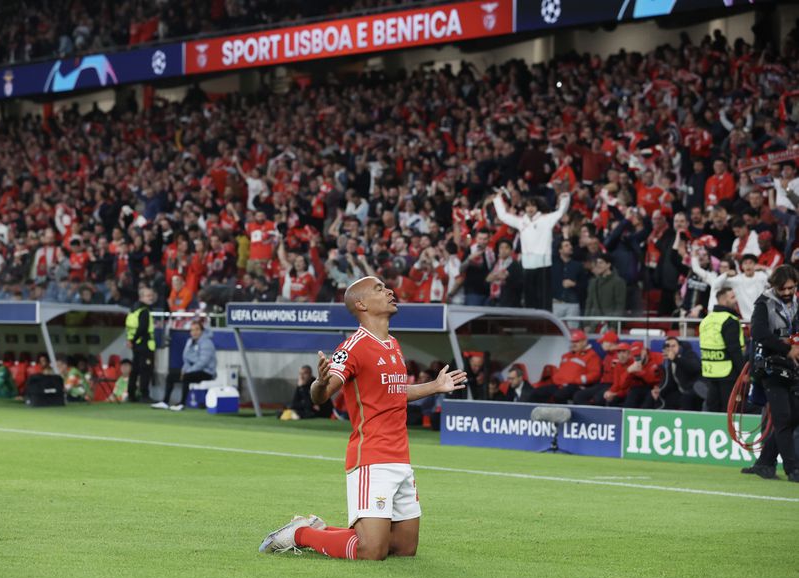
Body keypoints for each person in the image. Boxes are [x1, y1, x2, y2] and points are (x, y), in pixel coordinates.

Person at [259, 276, 467, 559]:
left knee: (404, 548)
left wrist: (435, 386)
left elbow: (394, 392)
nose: (389, 291)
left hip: (400, 457)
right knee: (372, 550)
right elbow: (322, 394)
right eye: (379, 289)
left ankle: (320, 528)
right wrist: (319, 382)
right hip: (371, 458)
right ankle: (300, 534)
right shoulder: (352, 347)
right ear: (361, 304)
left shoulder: (392, 344)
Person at [743, 265, 799, 482]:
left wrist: (795, 344)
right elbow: (758, 333)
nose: (787, 292)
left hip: (791, 366)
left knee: (793, 417)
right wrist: (787, 348)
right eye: (782, 289)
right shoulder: (763, 303)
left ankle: (764, 463)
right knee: (783, 418)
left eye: (791, 288)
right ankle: (793, 470)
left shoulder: (796, 302)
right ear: (774, 286)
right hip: (770, 366)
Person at [492, 189, 570, 310]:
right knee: (530, 300)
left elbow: (560, 212)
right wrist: (498, 200)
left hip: (543, 265)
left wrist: (565, 198)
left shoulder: (546, 219)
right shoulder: (521, 221)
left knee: (544, 300)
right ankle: (531, 321)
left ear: (538, 207)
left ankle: (545, 321)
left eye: (533, 205)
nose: (530, 208)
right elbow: (503, 216)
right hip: (527, 266)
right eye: (527, 206)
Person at [699, 287, 745, 412]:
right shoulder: (730, 320)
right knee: (729, 410)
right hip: (728, 372)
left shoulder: (706, 320)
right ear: (724, 300)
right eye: (732, 297)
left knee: (713, 410)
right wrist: (743, 373)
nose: (735, 300)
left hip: (710, 372)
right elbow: (734, 350)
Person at [155, 320, 216, 411]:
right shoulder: (189, 341)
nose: (194, 332)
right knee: (171, 376)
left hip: (207, 372)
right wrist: (184, 370)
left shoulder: (207, 343)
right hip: (191, 370)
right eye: (192, 330)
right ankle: (165, 402)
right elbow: (186, 359)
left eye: (197, 329)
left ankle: (182, 403)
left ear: (202, 331)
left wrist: (187, 371)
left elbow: (203, 362)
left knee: (187, 376)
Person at [528, 329, 601, 404]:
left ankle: (564, 411)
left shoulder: (592, 356)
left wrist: (577, 380)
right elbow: (561, 372)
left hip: (575, 386)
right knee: (536, 393)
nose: (573, 344)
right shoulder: (566, 356)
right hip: (559, 385)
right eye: (572, 342)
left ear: (584, 342)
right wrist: (556, 378)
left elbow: (595, 374)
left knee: (559, 396)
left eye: (576, 342)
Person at [655, 337, 704, 411]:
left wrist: (676, 359)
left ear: (679, 346)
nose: (671, 349)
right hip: (682, 391)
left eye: (673, 346)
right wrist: (659, 390)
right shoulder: (669, 362)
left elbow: (695, 368)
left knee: (686, 398)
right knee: (661, 397)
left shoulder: (689, 354)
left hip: (695, 389)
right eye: (668, 346)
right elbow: (668, 382)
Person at [125, 287, 156, 402]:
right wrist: (133, 340)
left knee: (135, 370)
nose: (151, 298)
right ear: (141, 297)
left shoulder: (133, 310)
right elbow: (142, 329)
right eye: (148, 296)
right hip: (145, 344)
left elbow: (130, 328)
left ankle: (131, 394)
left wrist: (131, 341)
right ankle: (144, 395)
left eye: (151, 295)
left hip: (135, 345)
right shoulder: (144, 311)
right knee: (145, 370)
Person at [584, 254, 626, 319]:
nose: (598, 265)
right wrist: (586, 322)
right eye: (597, 263)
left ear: (608, 265)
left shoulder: (618, 282)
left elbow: (619, 305)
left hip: (610, 321)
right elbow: (589, 303)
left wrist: (614, 323)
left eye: (601, 263)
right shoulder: (593, 282)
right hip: (594, 322)